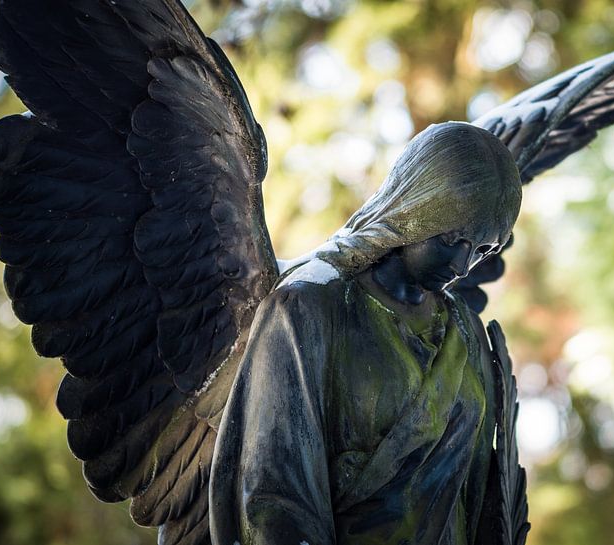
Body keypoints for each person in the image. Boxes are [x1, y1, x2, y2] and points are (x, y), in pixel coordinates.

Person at [209, 121, 522, 545]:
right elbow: (275, 496)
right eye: (453, 238)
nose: (464, 266)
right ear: (418, 206)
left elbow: (481, 493)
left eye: (484, 249)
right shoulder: (307, 309)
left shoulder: (466, 332)